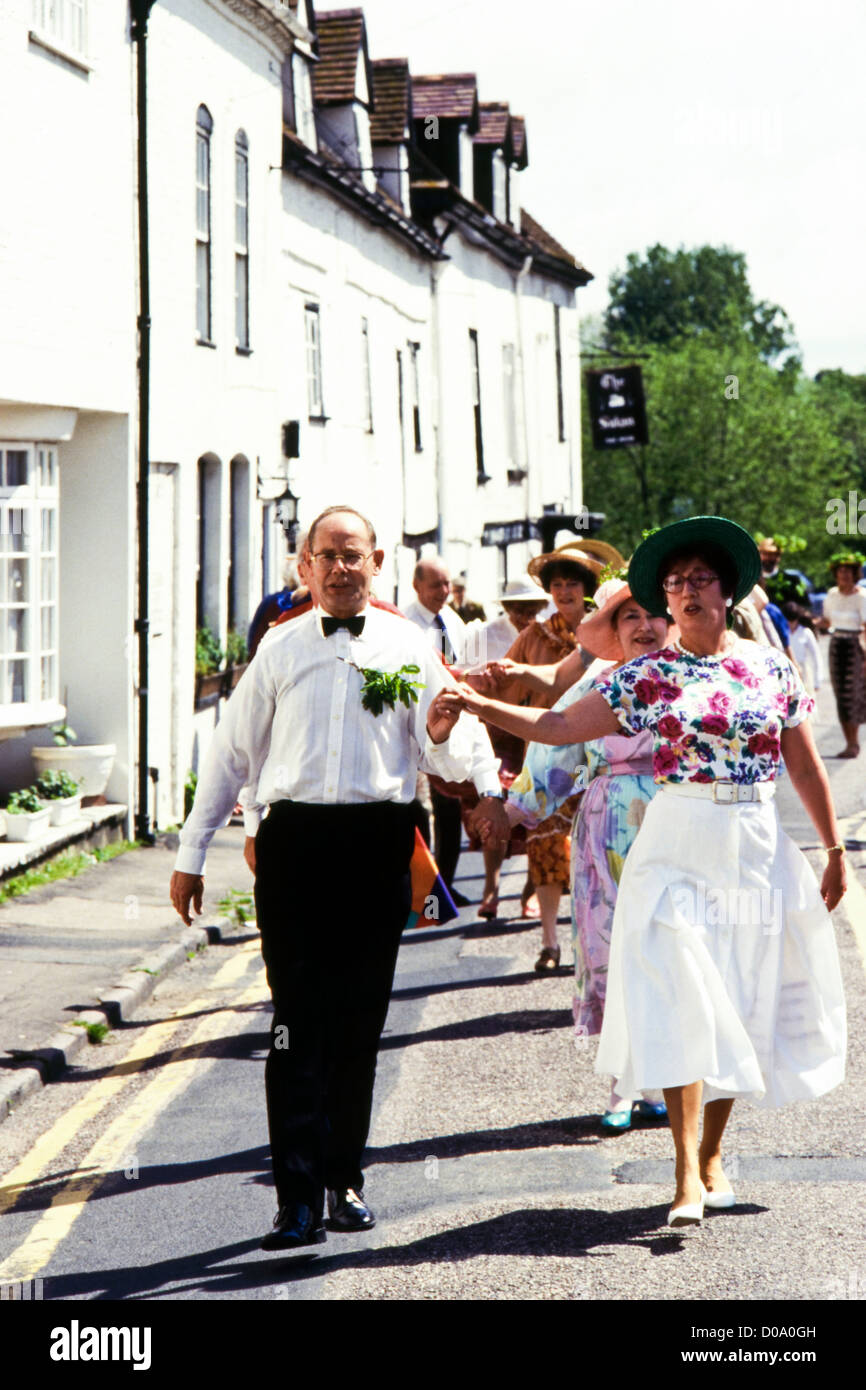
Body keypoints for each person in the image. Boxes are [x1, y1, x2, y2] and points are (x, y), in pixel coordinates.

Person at [452, 515, 847, 1227]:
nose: (686, 591)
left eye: (699, 579)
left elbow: (802, 759)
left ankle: (712, 1156)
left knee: (739, 997)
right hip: (677, 835)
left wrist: (834, 847)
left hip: (752, 839)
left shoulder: (769, 666)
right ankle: (682, 1176)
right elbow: (561, 728)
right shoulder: (648, 674)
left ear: (726, 589)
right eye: (674, 583)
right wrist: (479, 702)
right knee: (680, 993)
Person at [170, 505, 509, 1251]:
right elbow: (229, 757)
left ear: (376, 561)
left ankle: (343, 1180)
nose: (339, 567)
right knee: (294, 1024)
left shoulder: (408, 646)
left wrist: (470, 771)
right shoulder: (280, 651)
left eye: (352, 555)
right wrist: (191, 853)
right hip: (294, 844)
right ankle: (294, 1197)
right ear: (305, 568)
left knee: (359, 1025)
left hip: (375, 840)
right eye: (326, 555)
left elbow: (446, 749)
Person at [504, 578, 671, 1128]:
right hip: (607, 830)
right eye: (630, 617)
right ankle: (625, 1084)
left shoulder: (693, 676)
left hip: (679, 823)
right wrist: (511, 808)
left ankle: (671, 1080)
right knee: (612, 950)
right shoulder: (600, 681)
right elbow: (557, 744)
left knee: (672, 952)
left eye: (654, 615)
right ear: (615, 630)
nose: (644, 626)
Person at [479, 541, 607, 967]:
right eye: (557, 584)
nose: (565, 591)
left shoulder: (613, 631)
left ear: (588, 589)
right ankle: (550, 941)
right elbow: (505, 686)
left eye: (573, 583)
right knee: (547, 844)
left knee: (598, 850)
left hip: (603, 755)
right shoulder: (532, 636)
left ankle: (597, 942)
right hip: (549, 755)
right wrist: (463, 684)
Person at [404, 556, 474, 902]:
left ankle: (444, 886)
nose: (444, 592)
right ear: (417, 586)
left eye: (447, 584)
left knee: (450, 810)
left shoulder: (452, 620)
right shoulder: (403, 623)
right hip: (416, 727)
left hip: (449, 725)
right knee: (420, 813)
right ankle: (422, 891)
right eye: (436, 585)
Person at [816, 553, 866, 757]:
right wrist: (813, 622)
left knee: (852, 694)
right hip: (837, 644)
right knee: (839, 694)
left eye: (848, 571)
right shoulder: (831, 594)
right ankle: (848, 742)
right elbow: (827, 621)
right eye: (840, 571)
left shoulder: (862, 596)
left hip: (856, 645)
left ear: (855, 574)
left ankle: (854, 742)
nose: (844, 575)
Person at [782, 601, 822, 696]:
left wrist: (817, 680)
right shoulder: (781, 632)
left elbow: (816, 655)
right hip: (785, 670)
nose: (790, 624)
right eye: (788, 620)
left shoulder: (805, 632)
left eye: (793, 620)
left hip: (802, 670)